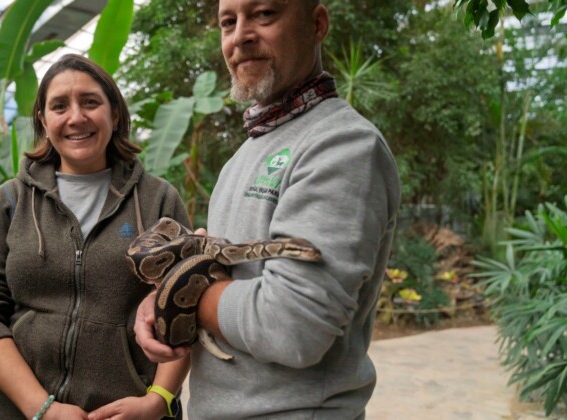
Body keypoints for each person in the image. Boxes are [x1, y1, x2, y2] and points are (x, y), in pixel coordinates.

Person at [134, 0, 401, 418]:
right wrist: (162, 299)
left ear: (317, 24)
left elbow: (292, 327)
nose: (240, 36)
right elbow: (226, 271)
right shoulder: (247, 152)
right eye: (228, 22)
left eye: (264, 15)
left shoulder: (342, 146)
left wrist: (178, 289)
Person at [0, 54, 190, 420]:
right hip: (7, 412)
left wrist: (158, 400)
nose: (76, 117)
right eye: (59, 106)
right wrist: (40, 408)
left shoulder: (158, 201)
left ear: (114, 114)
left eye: (90, 102)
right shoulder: (10, 201)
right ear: (43, 121)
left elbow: (183, 307)